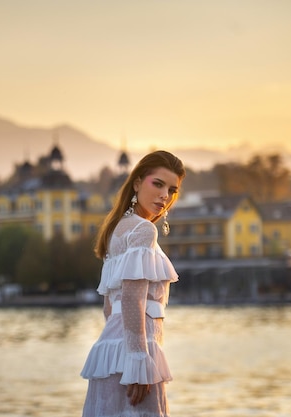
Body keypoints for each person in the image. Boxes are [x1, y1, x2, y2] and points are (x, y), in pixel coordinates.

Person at [80, 150, 186, 417]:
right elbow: (132, 299)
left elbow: (109, 308)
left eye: (172, 190)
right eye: (158, 184)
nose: (165, 195)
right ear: (137, 183)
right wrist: (138, 360)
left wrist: (126, 352)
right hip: (136, 352)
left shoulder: (116, 230)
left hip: (113, 350)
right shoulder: (143, 230)